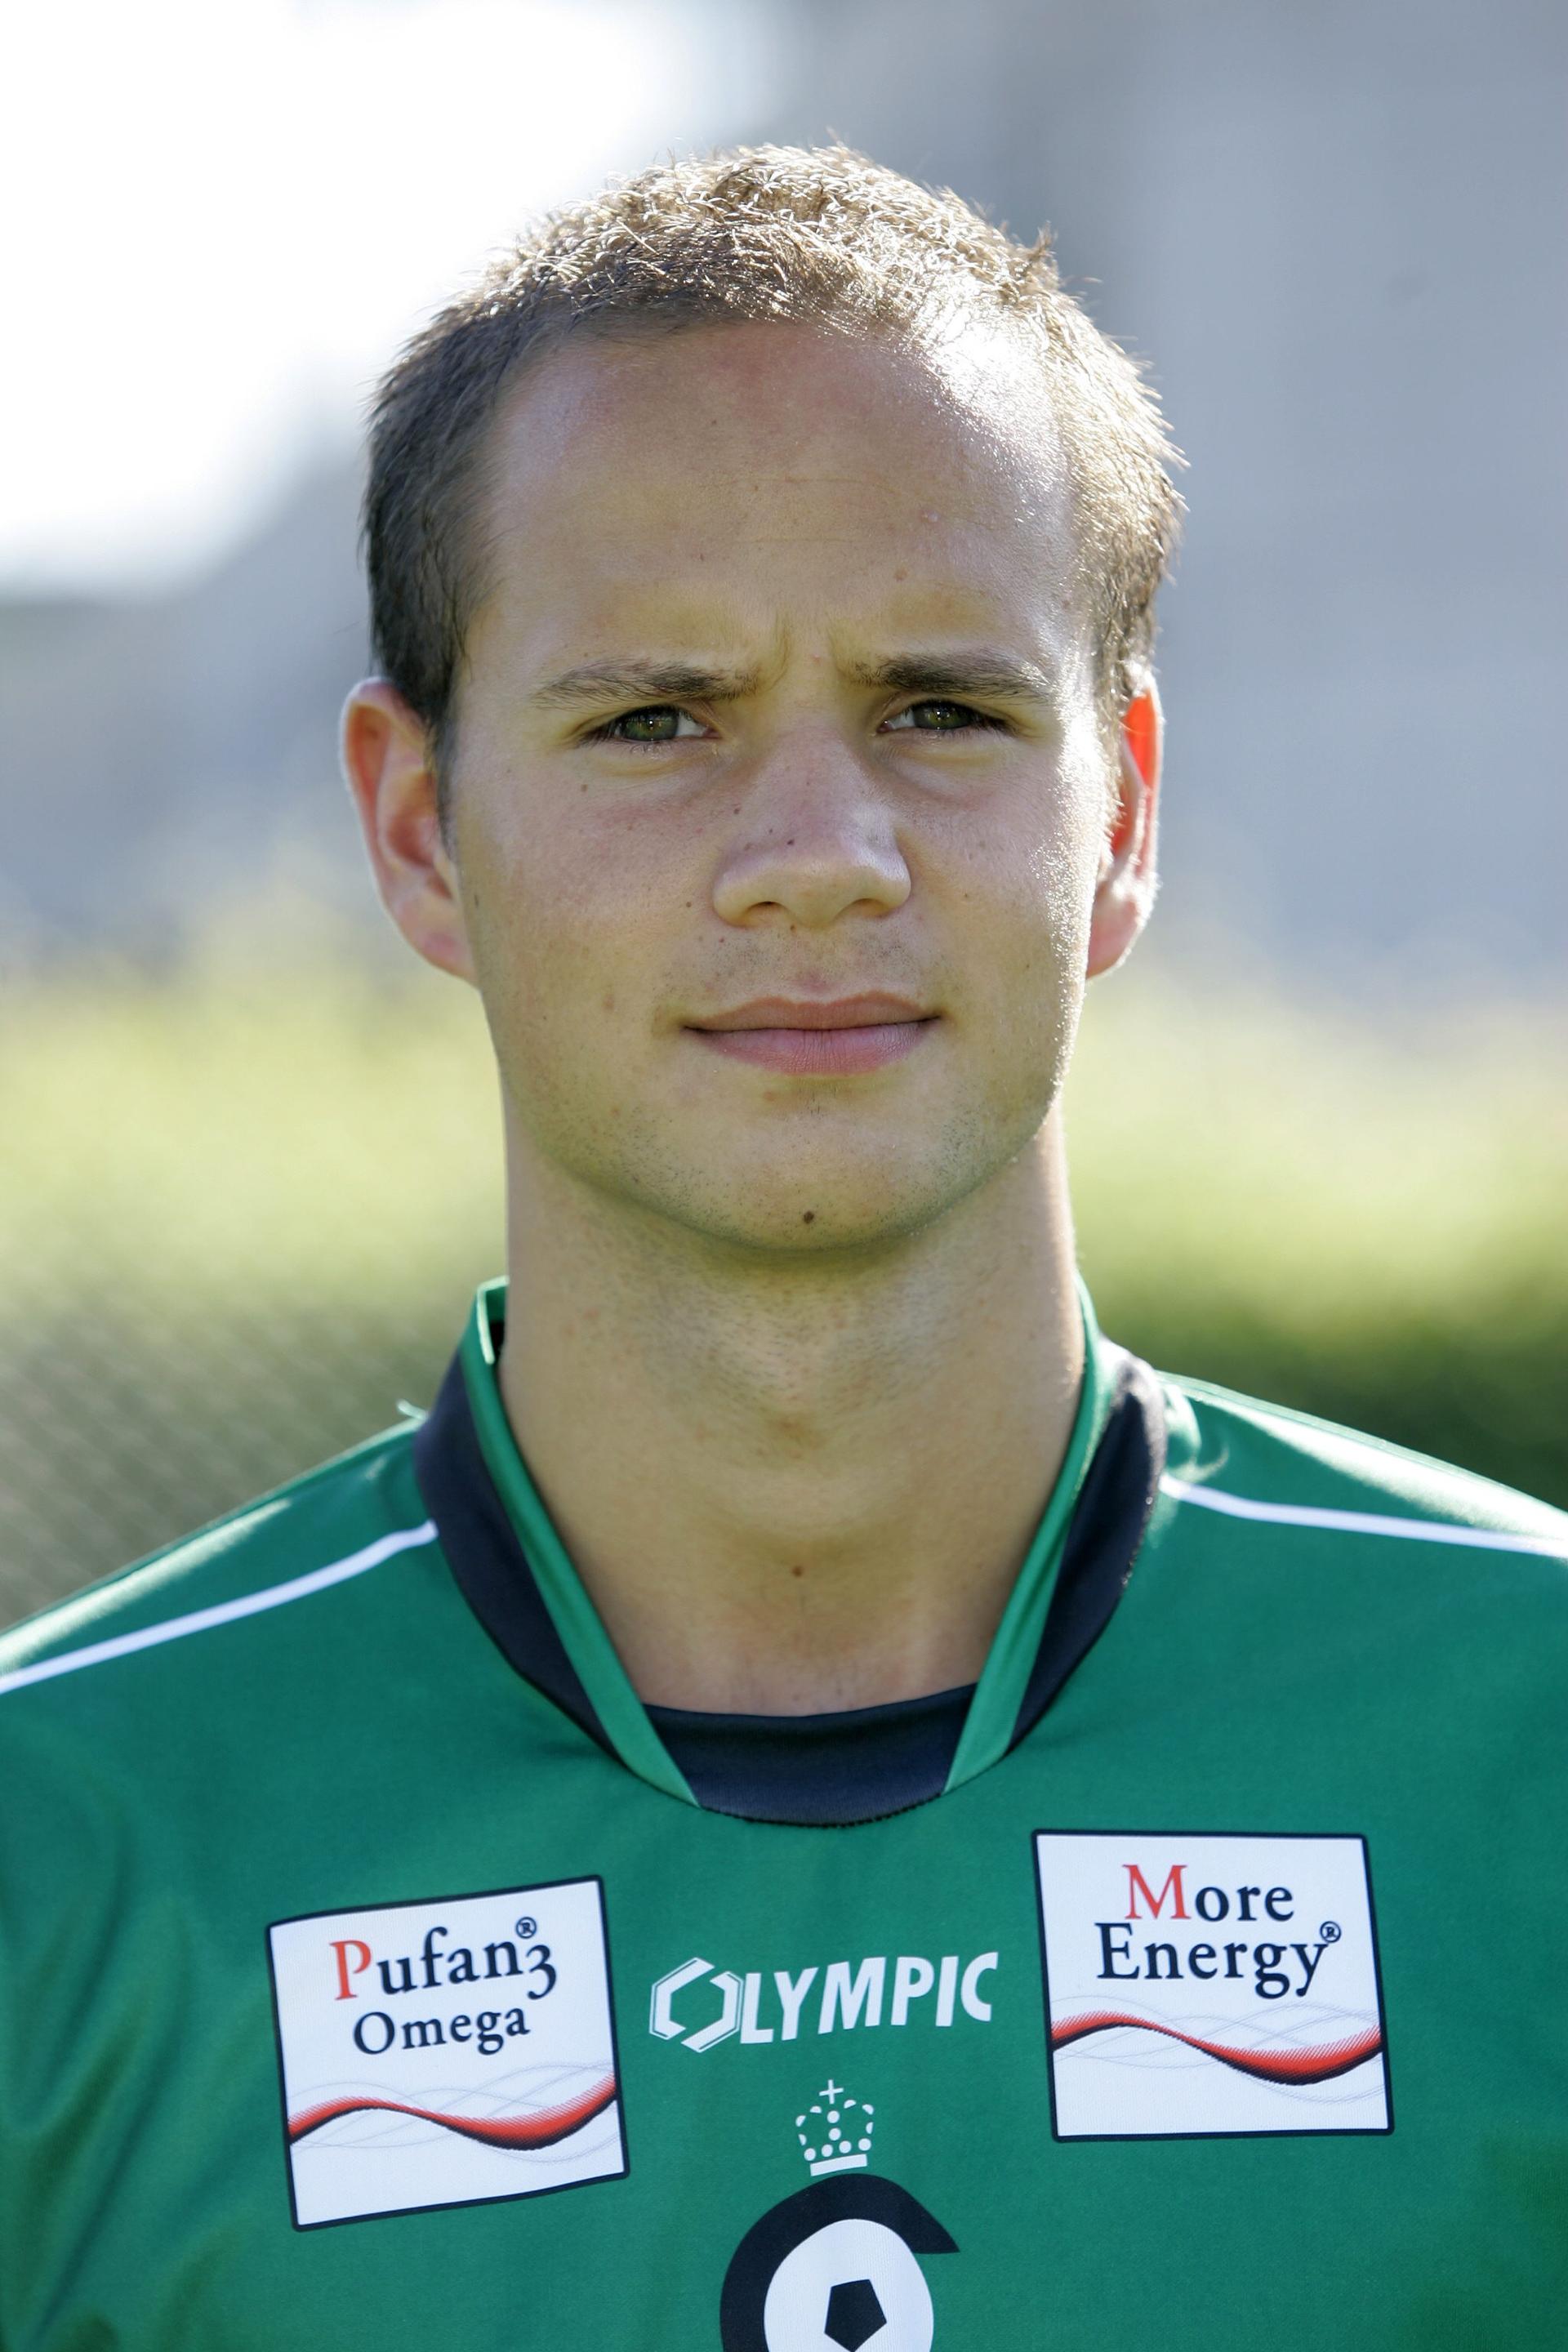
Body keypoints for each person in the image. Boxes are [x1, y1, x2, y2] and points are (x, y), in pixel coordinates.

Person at [1, 146, 1563, 2352]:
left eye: (942, 709)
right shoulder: (59, 1846)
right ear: (419, 829)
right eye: (656, 719)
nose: (819, 854)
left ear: (1122, 807)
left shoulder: (1529, 1743)